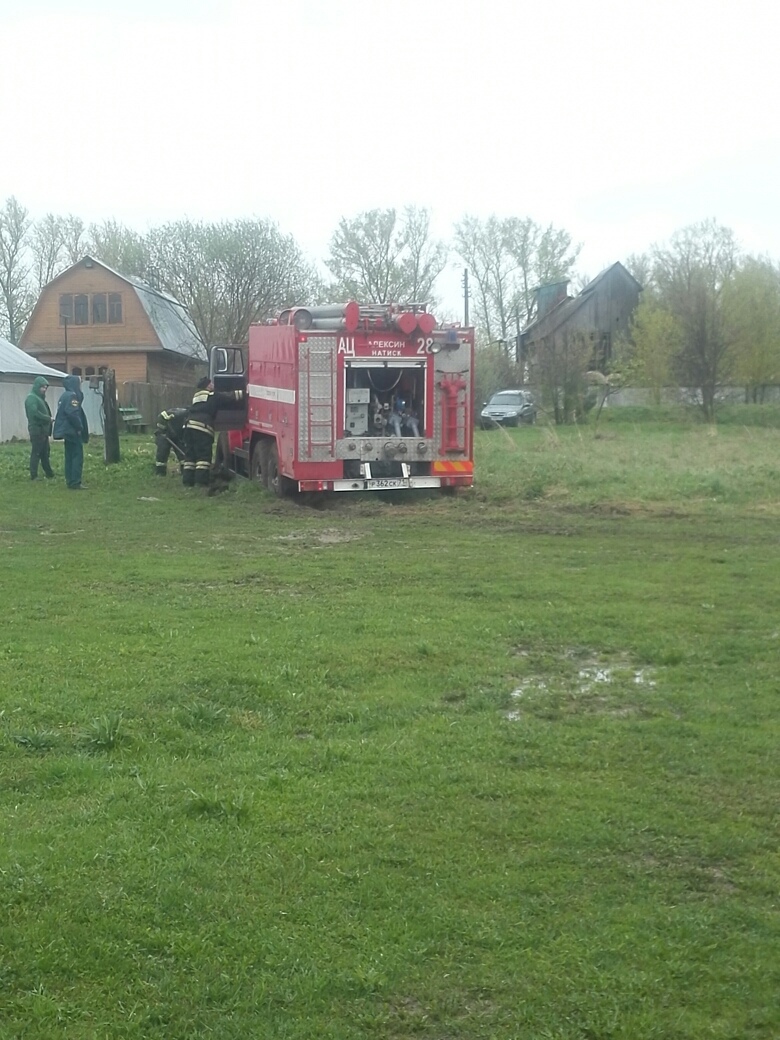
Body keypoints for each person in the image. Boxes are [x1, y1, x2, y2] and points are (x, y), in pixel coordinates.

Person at [182, 377, 244, 488]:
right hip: (202, 428)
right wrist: (245, 392)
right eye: (211, 383)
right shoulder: (212, 396)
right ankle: (201, 483)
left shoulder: (196, 397)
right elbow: (228, 397)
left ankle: (187, 481)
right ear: (208, 386)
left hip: (188, 426)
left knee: (190, 456)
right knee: (203, 457)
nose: (213, 385)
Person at [53, 375, 90, 489]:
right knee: (77, 456)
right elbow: (73, 414)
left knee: (69, 456)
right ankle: (75, 481)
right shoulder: (72, 396)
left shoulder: (64, 395)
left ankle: (70, 480)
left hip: (67, 432)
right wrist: (79, 427)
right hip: (72, 431)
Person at [25, 376, 55, 480]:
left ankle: (49, 473)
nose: (44, 389)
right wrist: (47, 419)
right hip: (37, 430)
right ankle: (34, 475)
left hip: (43, 430)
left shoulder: (39, 399)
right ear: (37, 386)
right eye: (42, 387)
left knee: (45, 452)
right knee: (36, 452)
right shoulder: (32, 398)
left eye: (46, 387)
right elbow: (34, 413)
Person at [154, 407, 188, 475]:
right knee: (162, 451)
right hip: (165, 429)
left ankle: (185, 471)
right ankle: (160, 472)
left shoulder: (186, 416)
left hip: (177, 431)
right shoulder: (184, 416)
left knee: (182, 450)